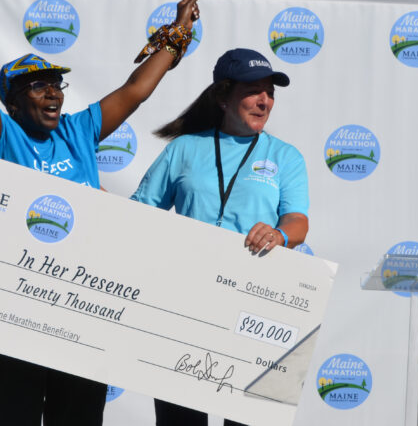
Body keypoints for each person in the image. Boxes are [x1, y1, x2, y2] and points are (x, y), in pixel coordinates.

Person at [0, 0, 198, 426]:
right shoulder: (1, 139)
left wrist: (178, 33)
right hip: (10, 319)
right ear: (14, 101)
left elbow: (137, 89)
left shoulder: (77, 132)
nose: (53, 93)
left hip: (80, 319)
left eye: (56, 84)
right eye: (37, 87)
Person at [131, 48, 309, 425]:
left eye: (270, 92)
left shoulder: (286, 156)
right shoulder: (183, 148)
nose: (265, 101)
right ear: (222, 95)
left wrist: (278, 234)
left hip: (255, 311)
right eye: (254, 90)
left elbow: (297, 221)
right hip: (186, 307)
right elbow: (140, 214)